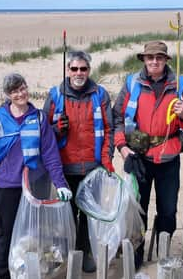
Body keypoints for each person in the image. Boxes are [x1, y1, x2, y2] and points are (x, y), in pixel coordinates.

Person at [0, 73, 71, 279]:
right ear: (7, 95)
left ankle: (29, 274)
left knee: (33, 236)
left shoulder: (38, 118)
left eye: (22, 88)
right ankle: (4, 275)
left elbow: (50, 154)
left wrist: (61, 184)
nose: (20, 94)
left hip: (35, 186)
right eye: (14, 91)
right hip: (6, 187)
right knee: (6, 236)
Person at [112, 40, 183, 270]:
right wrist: (123, 148)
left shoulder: (179, 84)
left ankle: (164, 257)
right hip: (139, 158)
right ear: (144, 60)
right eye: (150, 58)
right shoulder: (132, 83)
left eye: (159, 57)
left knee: (167, 210)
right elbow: (117, 117)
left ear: (166, 60)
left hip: (169, 158)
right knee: (138, 210)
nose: (154, 61)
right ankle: (136, 257)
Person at [43, 50, 114, 273]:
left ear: (89, 71)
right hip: (66, 168)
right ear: (68, 70)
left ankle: (84, 253)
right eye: (74, 69)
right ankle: (68, 252)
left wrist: (106, 160)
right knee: (66, 214)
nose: (79, 73)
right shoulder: (55, 95)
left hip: (93, 167)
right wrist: (57, 129)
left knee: (88, 215)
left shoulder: (100, 95)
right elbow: (44, 133)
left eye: (83, 69)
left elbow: (109, 130)